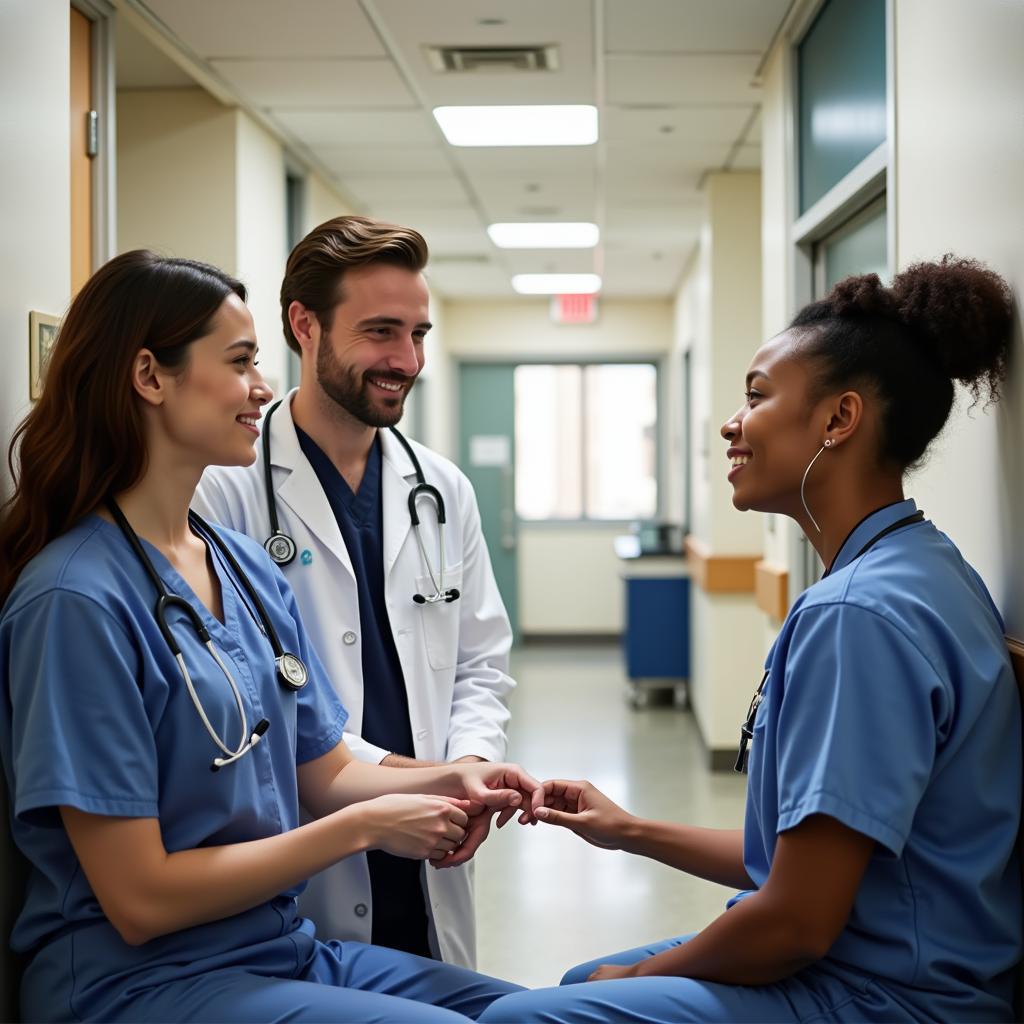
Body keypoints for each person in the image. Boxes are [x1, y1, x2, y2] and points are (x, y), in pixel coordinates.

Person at [479, 256, 1023, 1023]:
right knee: (578, 979)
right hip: (878, 963)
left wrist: (633, 978)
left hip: (893, 998)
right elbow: (797, 856)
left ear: (839, 420)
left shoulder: (858, 616)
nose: (732, 424)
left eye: (757, 397)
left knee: (526, 1016)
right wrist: (627, 829)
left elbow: (796, 924)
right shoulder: (918, 566)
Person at [0, 250, 536, 1023]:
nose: (262, 388)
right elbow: (140, 899)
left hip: (282, 948)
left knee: (535, 1015)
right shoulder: (74, 600)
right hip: (141, 981)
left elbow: (325, 773)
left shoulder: (243, 565)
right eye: (242, 362)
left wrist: (454, 781)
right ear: (150, 377)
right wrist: (365, 828)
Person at [192, 215, 514, 967]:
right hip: (308, 849)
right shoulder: (223, 493)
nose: (407, 359)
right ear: (304, 326)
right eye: (381, 332)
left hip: (437, 838)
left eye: (419, 333)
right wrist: (411, 784)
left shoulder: (442, 488)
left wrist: (469, 765)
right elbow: (254, 705)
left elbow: (482, 663)